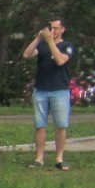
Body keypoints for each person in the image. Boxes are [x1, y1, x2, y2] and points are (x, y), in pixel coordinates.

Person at [22, 17, 74, 170]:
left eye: (56, 28)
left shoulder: (67, 46)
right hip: (41, 90)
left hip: (60, 91)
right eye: (51, 28)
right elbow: (27, 54)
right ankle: (39, 157)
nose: (53, 31)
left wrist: (51, 42)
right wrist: (38, 38)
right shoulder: (43, 45)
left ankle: (59, 158)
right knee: (40, 125)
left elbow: (60, 60)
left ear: (63, 29)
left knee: (60, 125)